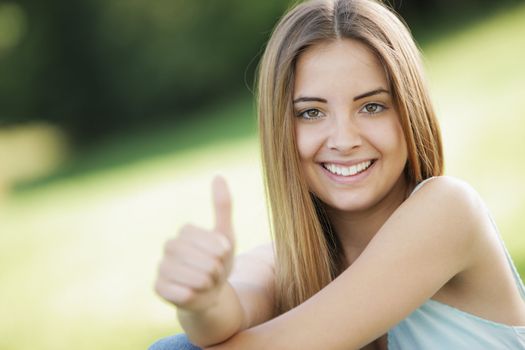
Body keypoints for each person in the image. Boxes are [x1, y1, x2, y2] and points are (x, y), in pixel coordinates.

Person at [150, 0, 525, 348]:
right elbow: (228, 309)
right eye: (311, 112)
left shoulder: (448, 211)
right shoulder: (287, 264)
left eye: (373, 106)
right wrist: (202, 301)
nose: (344, 140)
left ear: (409, 113)